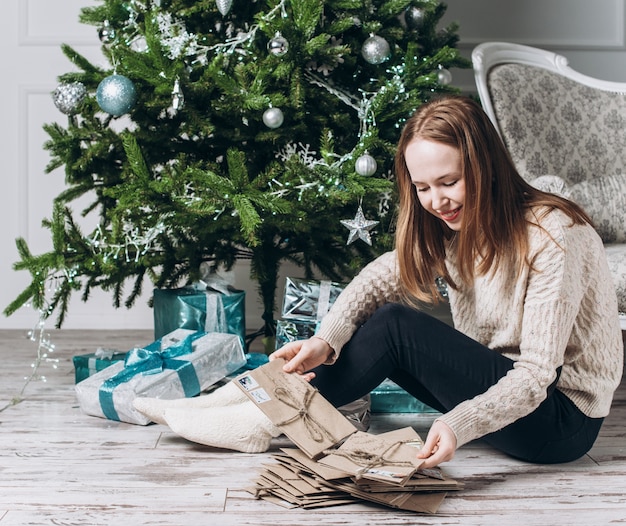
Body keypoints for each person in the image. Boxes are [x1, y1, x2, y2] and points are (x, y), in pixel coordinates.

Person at [134, 95, 624, 466]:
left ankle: (262, 414)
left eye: (449, 182)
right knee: (382, 318)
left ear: (485, 166)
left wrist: (458, 422)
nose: (436, 201)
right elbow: (379, 278)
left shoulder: (555, 233)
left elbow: (537, 376)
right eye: (423, 187)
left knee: (395, 326)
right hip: (500, 396)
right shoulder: (456, 225)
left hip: (560, 421)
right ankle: (256, 403)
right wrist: (325, 341)